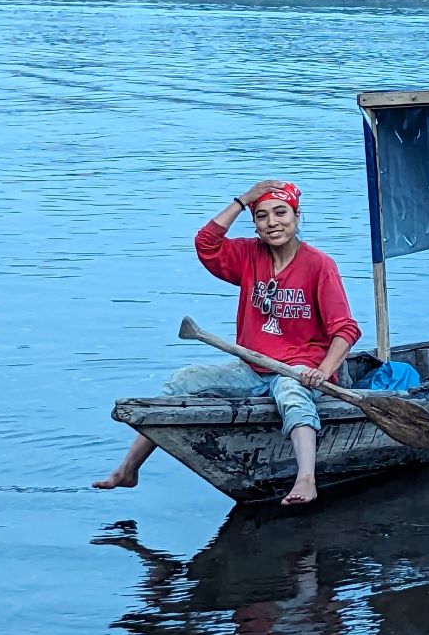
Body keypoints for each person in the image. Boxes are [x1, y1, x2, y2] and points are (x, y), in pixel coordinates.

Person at [94, 180, 361, 505]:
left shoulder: (320, 265)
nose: (272, 222)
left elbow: (345, 330)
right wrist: (243, 199)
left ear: (297, 216)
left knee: (292, 394)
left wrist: (322, 371)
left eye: (281, 213)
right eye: (262, 216)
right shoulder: (248, 255)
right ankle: (128, 470)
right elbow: (206, 243)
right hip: (252, 369)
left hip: (299, 370)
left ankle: (306, 478)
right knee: (183, 381)